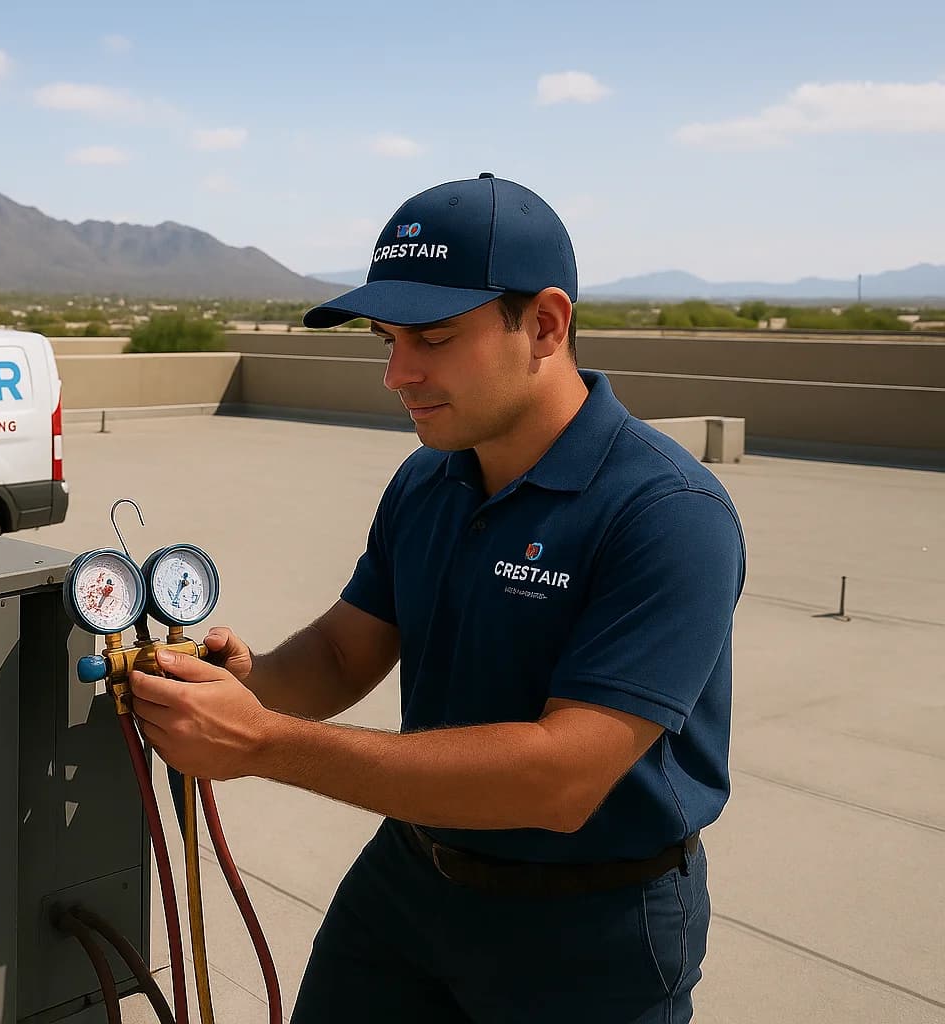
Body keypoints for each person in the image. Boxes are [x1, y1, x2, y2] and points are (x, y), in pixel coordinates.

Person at [128, 173, 745, 1023]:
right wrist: (250, 685)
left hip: (590, 929)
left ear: (546, 325)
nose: (397, 374)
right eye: (386, 339)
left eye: (433, 338)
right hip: (411, 884)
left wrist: (263, 744)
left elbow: (558, 781)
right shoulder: (429, 478)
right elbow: (347, 649)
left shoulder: (666, 513)